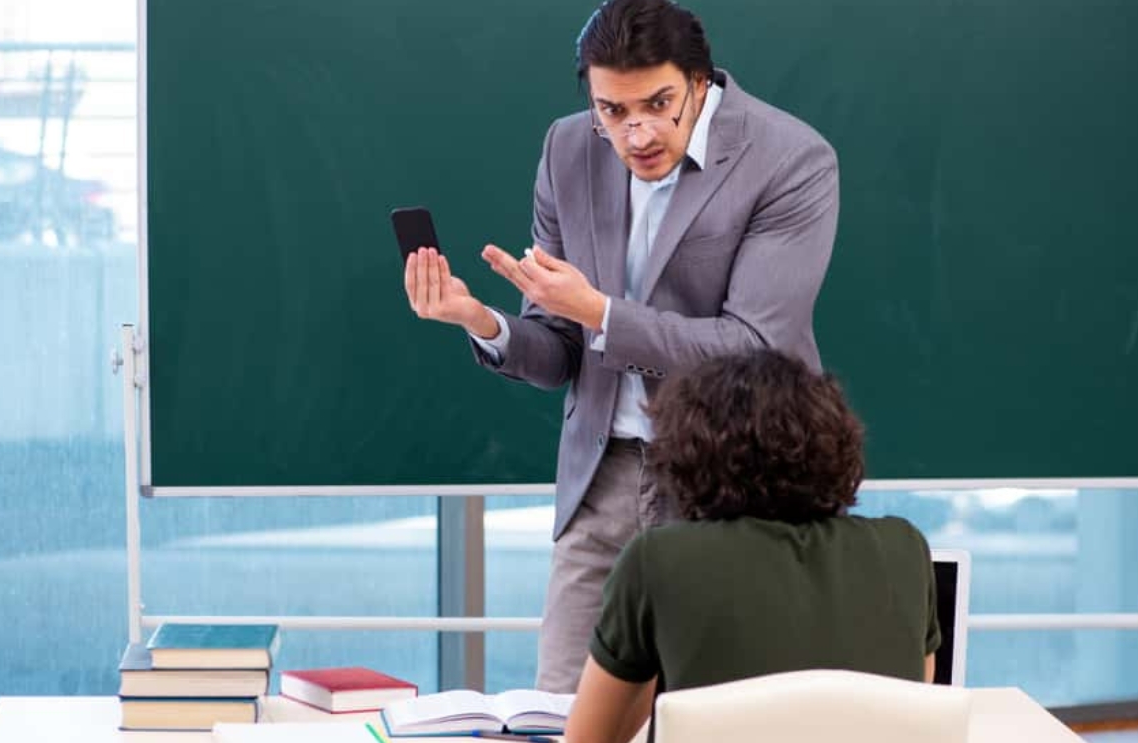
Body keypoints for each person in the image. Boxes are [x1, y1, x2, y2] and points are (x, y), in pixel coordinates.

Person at [403, 0, 839, 692]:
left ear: (699, 83)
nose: (634, 133)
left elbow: (755, 346)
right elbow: (560, 352)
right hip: (601, 480)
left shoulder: (789, 159)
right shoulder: (568, 149)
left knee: (720, 718)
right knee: (560, 714)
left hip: (731, 480)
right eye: (611, 110)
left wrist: (599, 310)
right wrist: (481, 320)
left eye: (656, 104)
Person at [563, 349, 941, 743]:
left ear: (687, 453)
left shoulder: (658, 559)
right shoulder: (905, 548)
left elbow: (589, 739)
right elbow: (912, 709)